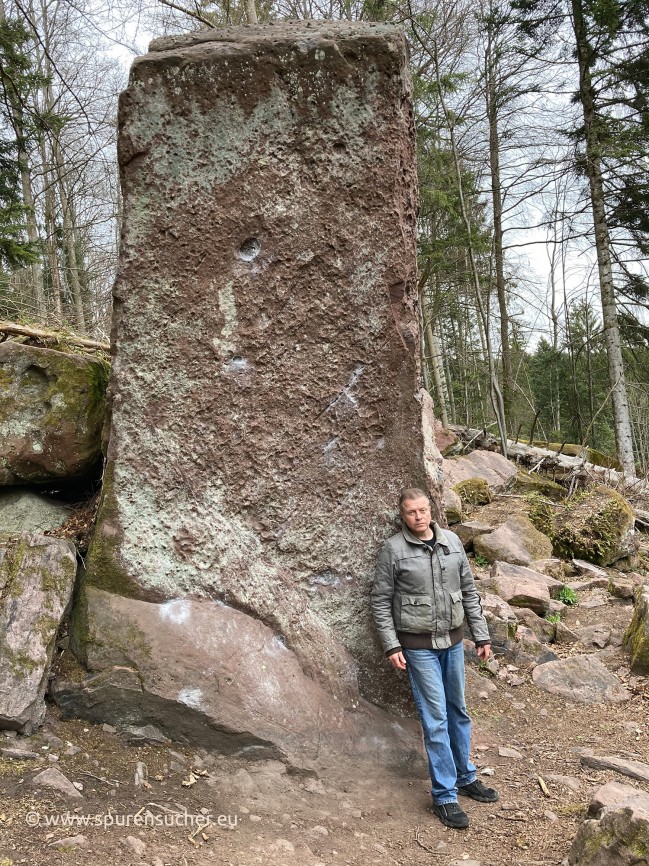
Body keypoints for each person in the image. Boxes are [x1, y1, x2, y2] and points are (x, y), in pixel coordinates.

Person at [371, 487, 499, 829]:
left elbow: (469, 591)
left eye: (423, 510)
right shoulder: (393, 550)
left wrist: (481, 634)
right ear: (403, 516)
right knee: (436, 718)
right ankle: (444, 796)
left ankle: (465, 777)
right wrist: (392, 646)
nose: (418, 516)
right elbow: (381, 601)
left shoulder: (453, 542)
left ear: (431, 511)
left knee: (458, 711)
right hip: (418, 647)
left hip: (454, 643)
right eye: (411, 512)